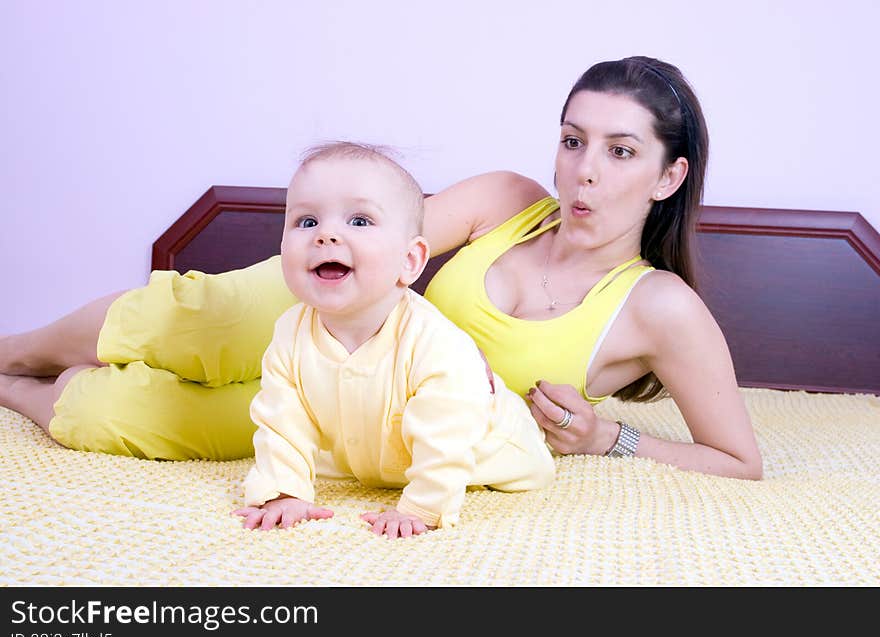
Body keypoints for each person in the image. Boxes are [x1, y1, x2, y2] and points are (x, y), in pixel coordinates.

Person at [0, 55, 762, 480]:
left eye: (621, 151)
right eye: (573, 140)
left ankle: (13, 389)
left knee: (114, 416)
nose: (583, 171)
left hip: (360, 409)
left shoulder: (660, 307)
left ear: (668, 176)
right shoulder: (508, 200)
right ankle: (16, 349)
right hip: (328, 302)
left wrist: (607, 439)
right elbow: (383, 235)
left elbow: (739, 460)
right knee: (197, 316)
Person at [232, 142, 555, 538]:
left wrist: (421, 507)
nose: (326, 235)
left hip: (491, 452)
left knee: (502, 457)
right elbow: (282, 419)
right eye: (306, 221)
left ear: (410, 261)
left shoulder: (435, 344)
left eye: (360, 221)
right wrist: (284, 490)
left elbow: (448, 437)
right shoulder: (290, 332)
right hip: (373, 459)